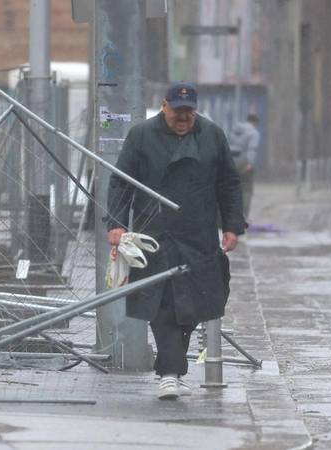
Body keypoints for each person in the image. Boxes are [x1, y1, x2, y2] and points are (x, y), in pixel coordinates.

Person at [104, 82, 244, 400]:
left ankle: (173, 367)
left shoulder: (212, 135)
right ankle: (170, 373)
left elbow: (229, 183)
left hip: (198, 233)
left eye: (189, 111)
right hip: (154, 233)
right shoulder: (141, 135)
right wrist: (115, 223)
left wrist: (232, 226)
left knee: (196, 302)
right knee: (162, 303)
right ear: (164, 106)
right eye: (178, 111)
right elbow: (121, 182)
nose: (183, 117)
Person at [228, 113, 260, 219]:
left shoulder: (235, 130)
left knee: (231, 188)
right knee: (246, 189)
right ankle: (243, 215)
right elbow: (252, 149)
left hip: (230, 161)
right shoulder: (254, 133)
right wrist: (250, 164)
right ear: (255, 123)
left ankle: (230, 214)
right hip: (244, 163)